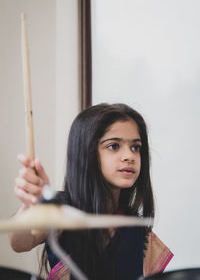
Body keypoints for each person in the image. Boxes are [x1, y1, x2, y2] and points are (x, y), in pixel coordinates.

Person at [9, 103, 173, 280]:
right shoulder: (61, 210)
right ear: (86, 153)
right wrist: (30, 205)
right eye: (114, 146)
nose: (129, 156)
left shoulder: (136, 228)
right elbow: (19, 242)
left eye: (135, 147)